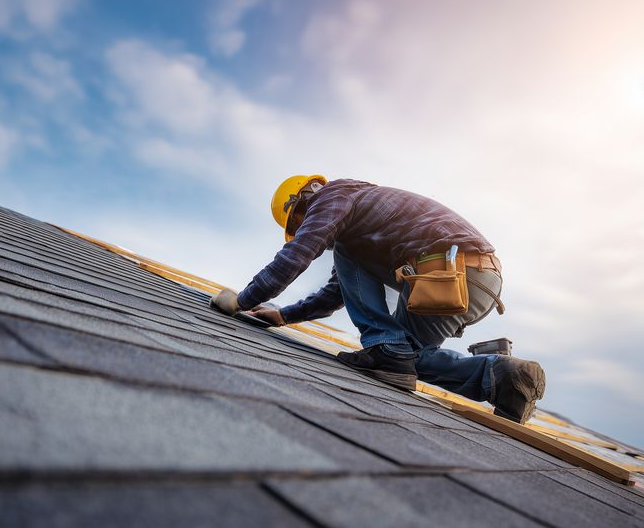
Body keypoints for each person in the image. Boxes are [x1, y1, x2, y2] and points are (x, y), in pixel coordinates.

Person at [210, 175, 545, 424]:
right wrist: (284, 316)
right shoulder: (359, 225)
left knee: (391, 347)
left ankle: (385, 344)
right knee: (408, 361)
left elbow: (298, 254)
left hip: (451, 271)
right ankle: (503, 377)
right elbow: (339, 290)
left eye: (299, 220)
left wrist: (242, 300)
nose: (305, 229)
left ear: (305, 197)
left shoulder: (333, 195)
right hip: (472, 279)